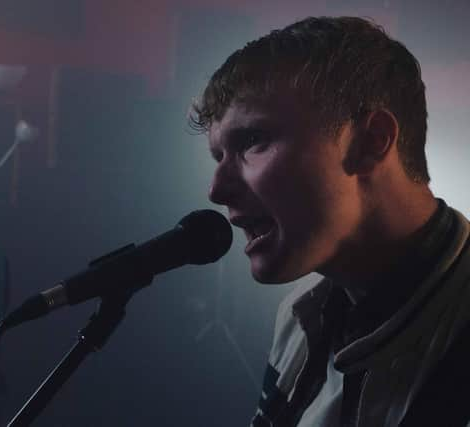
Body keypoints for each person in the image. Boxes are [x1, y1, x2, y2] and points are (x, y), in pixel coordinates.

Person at [191, 16, 470, 426]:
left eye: (253, 141)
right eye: (219, 156)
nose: (216, 190)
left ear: (371, 141)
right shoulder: (299, 314)